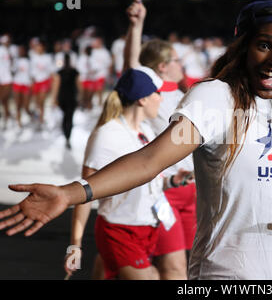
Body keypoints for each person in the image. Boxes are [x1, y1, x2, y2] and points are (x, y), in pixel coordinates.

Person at [0, 0, 272, 280]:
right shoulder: (216, 98)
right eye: (264, 45)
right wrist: (71, 193)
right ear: (242, 46)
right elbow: (150, 159)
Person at [62, 65, 192, 280]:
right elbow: (84, 192)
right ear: (142, 99)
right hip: (120, 230)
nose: (161, 99)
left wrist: (171, 181)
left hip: (146, 228)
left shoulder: (144, 130)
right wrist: (75, 245)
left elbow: (144, 179)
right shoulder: (107, 135)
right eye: (157, 94)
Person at [127, 0, 196, 280]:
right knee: (173, 268)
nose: (183, 65)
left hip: (193, 192)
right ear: (164, 66)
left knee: (190, 265)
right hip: (165, 192)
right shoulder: (151, 93)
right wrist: (137, 25)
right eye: (178, 60)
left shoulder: (186, 95)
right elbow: (132, 66)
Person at [51, 53, 81, 149]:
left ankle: (66, 136)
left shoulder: (60, 72)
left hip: (63, 98)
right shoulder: (75, 72)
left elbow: (56, 86)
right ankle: (68, 137)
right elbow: (79, 86)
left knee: (65, 117)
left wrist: (54, 99)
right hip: (72, 98)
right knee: (70, 118)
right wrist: (80, 97)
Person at [11, 44, 32, 128]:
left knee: (26, 105)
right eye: (19, 50)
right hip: (17, 84)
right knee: (18, 104)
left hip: (26, 84)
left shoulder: (29, 61)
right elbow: (12, 71)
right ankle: (18, 122)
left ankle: (32, 116)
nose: (20, 52)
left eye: (22, 50)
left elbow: (31, 74)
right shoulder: (15, 61)